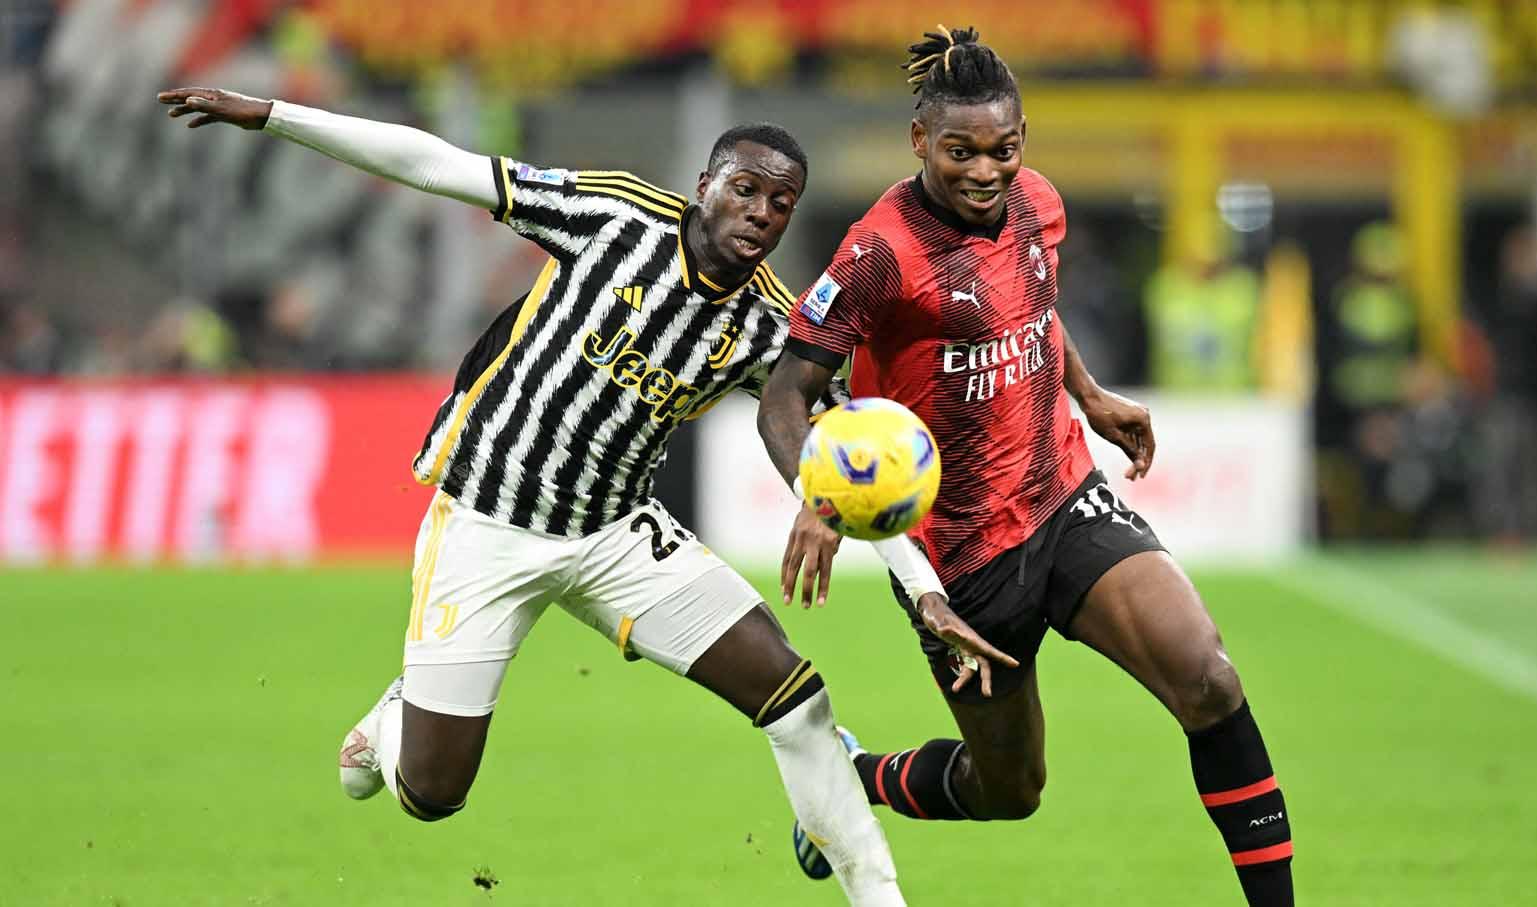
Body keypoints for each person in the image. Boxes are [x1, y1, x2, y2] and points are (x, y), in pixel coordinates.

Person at [157, 86, 931, 907]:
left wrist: (922, 591)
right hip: (489, 520)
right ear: (706, 181)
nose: (761, 212)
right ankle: (398, 719)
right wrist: (278, 116)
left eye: (782, 203)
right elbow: (439, 166)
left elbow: (858, 463)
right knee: (430, 794)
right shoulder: (615, 218)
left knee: (796, 699)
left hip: (616, 534)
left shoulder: (770, 325)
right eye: (745, 188)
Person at [755, 27, 1295, 906]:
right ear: (920, 141)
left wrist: (1089, 393)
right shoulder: (878, 252)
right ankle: (857, 777)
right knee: (1010, 790)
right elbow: (786, 394)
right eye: (960, 151)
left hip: (1062, 493)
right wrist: (819, 493)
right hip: (961, 557)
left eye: (1003, 149)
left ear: (1023, 141)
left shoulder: (1039, 201)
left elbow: (1033, 303)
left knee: (1208, 678)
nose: (984, 171)